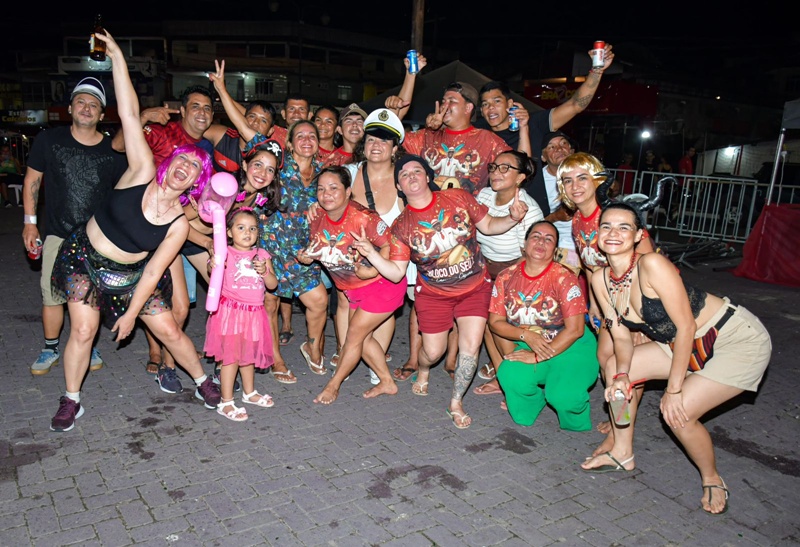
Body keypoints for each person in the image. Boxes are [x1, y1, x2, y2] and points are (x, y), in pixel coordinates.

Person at [48, 31, 221, 431]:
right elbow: (129, 112)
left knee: (170, 330)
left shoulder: (179, 224)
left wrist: (129, 312)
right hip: (84, 261)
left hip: (130, 277)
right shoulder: (140, 171)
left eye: (195, 168)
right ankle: (71, 399)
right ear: (170, 162)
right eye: (182, 160)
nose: (185, 168)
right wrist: (117, 58)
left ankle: (202, 381)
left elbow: (152, 271)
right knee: (85, 329)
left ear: (197, 182)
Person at [580, 202, 771, 516]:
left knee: (678, 412)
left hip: (731, 338)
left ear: (639, 235)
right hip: (682, 343)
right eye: (606, 226)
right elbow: (622, 338)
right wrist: (624, 374)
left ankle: (711, 477)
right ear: (597, 234)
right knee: (614, 368)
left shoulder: (652, 264)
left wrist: (673, 390)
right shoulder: (601, 280)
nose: (614, 233)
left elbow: (687, 326)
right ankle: (622, 452)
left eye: (624, 227)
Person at [352, 154, 529, 429]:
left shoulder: (458, 198)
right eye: (404, 174)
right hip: (433, 295)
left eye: (416, 170)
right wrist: (371, 255)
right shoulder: (401, 226)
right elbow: (397, 272)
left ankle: (455, 402)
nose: (411, 175)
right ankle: (423, 370)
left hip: (475, 288)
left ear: (427, 176)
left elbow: (490, 227)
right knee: (433, 353)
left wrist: (512, 218)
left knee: (470, 349)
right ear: (399, 185)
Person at [112, 82, 218, 382]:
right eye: (195, 106)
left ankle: (175, 358)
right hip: (153, 228)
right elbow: (119, 146)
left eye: (208, 108)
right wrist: (144, 117)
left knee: (209, 292)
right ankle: (159, 355)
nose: (202, 113)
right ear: (182, 110)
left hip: (182, 229)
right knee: (174, 304)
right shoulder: (161, 131)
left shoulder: (206, 150)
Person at [22, 76, 127, 376]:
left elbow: (122, 192)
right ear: (70, 107)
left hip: (96, 240)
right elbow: (33, 180)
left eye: (94, 104)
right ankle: (50, 347)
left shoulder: (111, 150)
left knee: (91, 296)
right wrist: (30, 224)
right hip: (58, 233)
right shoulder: (49, 140)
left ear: (102, 114)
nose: (86, 108)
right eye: (81, 101)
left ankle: (88, 343)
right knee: (51, 294)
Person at [557, 152, 656, 448]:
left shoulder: (613, 214)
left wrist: (641, 316)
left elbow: (650, 263)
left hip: (636, 301)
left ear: (598, 179)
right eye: (568, 180)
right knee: (605, 359)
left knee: (629, 367)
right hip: (608, 302)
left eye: (582, 178)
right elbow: (590, 266)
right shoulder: (577, 219)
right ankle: (620, 415)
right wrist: (595, 305)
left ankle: (620, 430)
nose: (575, 186)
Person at [299, 166, 405, 403]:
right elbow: (322, 247)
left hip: (382, 284)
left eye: (334, 188)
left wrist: (371, 269)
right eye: (321, 189)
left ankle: (333, 385)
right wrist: (307, 255)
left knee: (354, 336)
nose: (327, 194)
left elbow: (391, 245)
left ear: (348, 191)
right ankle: (387, 382)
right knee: (364, 339)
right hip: (354, 289)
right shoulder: (317, 217)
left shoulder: (362, 217)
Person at [477, 43, 615, 213]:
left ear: (510, 104)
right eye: (485, 104)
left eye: (497, 101)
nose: (490, 108)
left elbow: (575, 105)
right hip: (490, 212)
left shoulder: (534, 122)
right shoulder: (477, 131)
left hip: (531, 214)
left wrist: (597, 70)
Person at [490, 221, 599, 430]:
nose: (541, 241)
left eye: (549, 239)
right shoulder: (506, 276)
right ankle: (533, 402)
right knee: (509, 374)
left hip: (571, 346)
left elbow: (575, 329)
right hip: (532, 343)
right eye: (536, 236)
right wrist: (526, 336)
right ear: (525, 243)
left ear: (555, 250)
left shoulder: (563, 277)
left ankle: (576, 423)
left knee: (562, 396)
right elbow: (495, 322)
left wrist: (538, 356)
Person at [261, 119, 328, 384]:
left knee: (319, 301)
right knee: (270, 303)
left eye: (312, 135)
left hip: (304, 253)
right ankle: (276, 358)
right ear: (289, 144)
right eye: (300, 135)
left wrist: (322, 210)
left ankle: (311, 346)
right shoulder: (277, 168)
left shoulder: (325, 175)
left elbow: (337, 205)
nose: (307, 139)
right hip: (271, 248)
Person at [471, 151, 543, 393]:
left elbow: (532, 255)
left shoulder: (529, 210)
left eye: (505, 168)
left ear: (521, 177)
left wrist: (511, 286)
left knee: (499, 326)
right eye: (494, 167)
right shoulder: (485, 195)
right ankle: (503, 375)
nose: (496, 172)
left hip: (513, 272)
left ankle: (516, 379)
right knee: (484, 324)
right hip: (483, 267)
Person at [204, 208, 278, 421]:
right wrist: (213, 263)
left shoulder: (262, 255)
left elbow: (273, 285)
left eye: (253, 228)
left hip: (254, 312)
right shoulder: (225, 252)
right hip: (231, 312)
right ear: (228, 232)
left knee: (249, 355)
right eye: (241, 227)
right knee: (231, 357)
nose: (248, 232)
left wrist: (265, 271)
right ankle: (226, 402)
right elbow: (212, 271)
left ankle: (249, 392)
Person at [401, 82, 511, 195]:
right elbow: (392, 136)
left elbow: (518, 166)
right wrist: (398, 108)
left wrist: (523, 128)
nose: (444, 105)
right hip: (428, 210)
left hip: (468, 211)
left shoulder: (487, 140)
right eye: (443, 101)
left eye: (452, 101)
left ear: (468, 108)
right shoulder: (428, 136)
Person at [538, 131, 581, 273]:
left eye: (564, 144)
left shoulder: (586, 174)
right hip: (559, 243)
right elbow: (531, 225)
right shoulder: (536, 182)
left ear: (572, 151)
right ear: (543, 157)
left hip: (589, 240)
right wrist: (555, 217)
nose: (559, 149)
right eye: (551, 147)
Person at [324, 103, 366, 167]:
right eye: (349, 121)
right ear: (340, 130)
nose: (355, 124)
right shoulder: (332, 162)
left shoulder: (373, 155)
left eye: (359, 121)